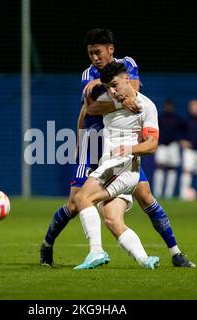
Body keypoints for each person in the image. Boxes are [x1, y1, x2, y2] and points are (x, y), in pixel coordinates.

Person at [40, 28, 194, 269]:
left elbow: (132, 90)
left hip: (119, 144)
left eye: (98, 52)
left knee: (145, 196)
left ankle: (175, 253)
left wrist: (125, 98)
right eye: (90, 53)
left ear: (110, 49)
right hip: (94, 142)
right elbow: (93, 109)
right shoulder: (87, 74)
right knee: (74, 204)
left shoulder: (127, 64)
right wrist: (122, 101)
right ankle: (47, 245)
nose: (94, 58)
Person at [74, 62, 161, 269]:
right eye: (108, 87)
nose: (112, 91)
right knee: (112, 220)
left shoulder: (146, 106)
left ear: (127, 80)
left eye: (115, 85)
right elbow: (88, 109)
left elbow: (152, 145)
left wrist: (129, 149)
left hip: (123, 166)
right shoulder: (108, 100)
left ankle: (96, 251)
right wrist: (80, 141)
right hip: (114, 166)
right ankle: (145, 260)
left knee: (81, 197)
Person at [153, 99, 182, 199]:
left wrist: (179, 140)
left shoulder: (177, 118)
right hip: (162, 145)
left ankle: (168, 194)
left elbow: (182, 131)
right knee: (160, 167)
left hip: (173, 145)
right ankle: (157, 193)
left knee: (172, 168)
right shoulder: (160, 117)